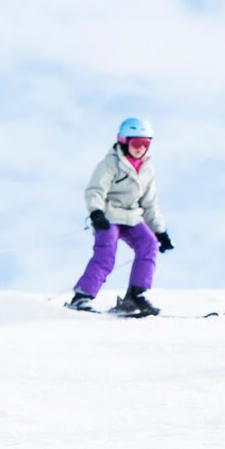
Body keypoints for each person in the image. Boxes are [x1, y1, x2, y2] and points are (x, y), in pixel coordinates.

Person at [67, 117, 174, 317]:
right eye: (136, 143)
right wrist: (96, 212)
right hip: (108, 215)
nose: (140, 148)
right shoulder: (109, 163)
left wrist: (160, 231)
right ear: (123, 141)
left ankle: (135, 295)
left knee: (149, 244)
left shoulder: (146, 168)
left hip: (132, 216)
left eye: (145, 144)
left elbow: (150, 203)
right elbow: (95, 190)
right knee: (106, 254)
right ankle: (82, 297)